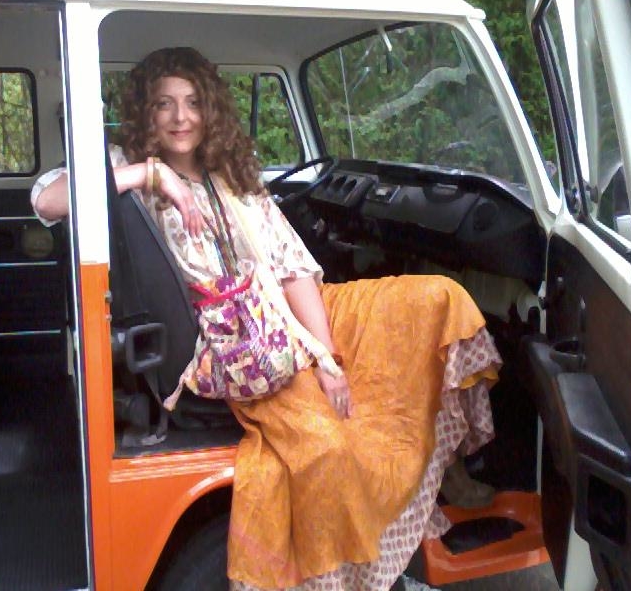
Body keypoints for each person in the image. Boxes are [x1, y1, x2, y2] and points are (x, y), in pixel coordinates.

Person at [32, 47, 501, 591]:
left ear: (210, 110)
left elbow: (291, 267)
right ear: (145, 112)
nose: (181, 117)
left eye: (193, 102)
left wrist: (326, 357)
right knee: (333, 448)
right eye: (164, 104)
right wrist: (149, 174)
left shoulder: (232, 174)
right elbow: (47, 201)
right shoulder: (123, 165)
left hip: (286, 311)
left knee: (437, 301)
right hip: (238, 340)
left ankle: (446, 465)